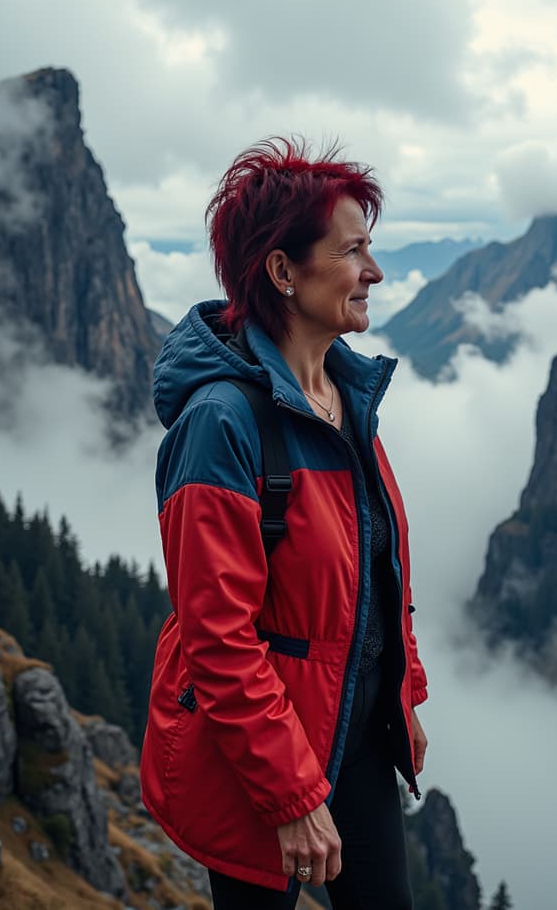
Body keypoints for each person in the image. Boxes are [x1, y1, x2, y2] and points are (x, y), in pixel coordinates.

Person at [141, 137, 428, 909]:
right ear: (281, 271)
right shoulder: (220, 424)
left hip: (355, 733)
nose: (374, 273)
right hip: (256, 760)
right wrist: (293, 796)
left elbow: (376, 572)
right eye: (354, 251)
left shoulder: (344, 395)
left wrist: (404, 698)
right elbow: (217, 640)